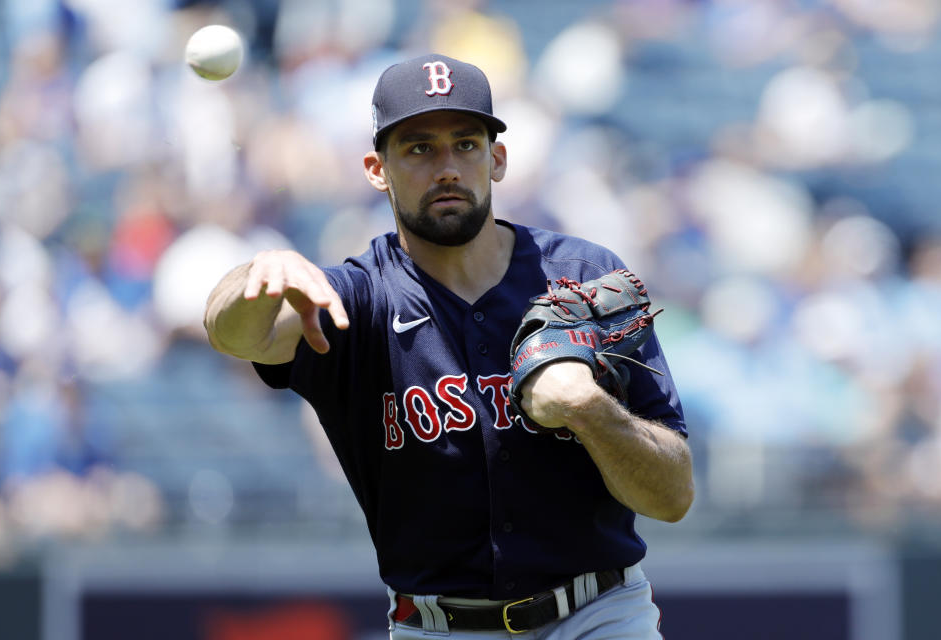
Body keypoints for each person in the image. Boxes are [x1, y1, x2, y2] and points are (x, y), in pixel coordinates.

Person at [204, 53, 693, 639]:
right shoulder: (357, 299)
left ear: (498, 159)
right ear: (376, 169)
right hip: (439, 626)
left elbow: (672, 495)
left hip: (598, 614)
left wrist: (588, 410)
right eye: (418, 148)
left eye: (465, 144)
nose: (447, 168)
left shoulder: (583, 276)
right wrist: (256, 277)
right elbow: (234, 334)